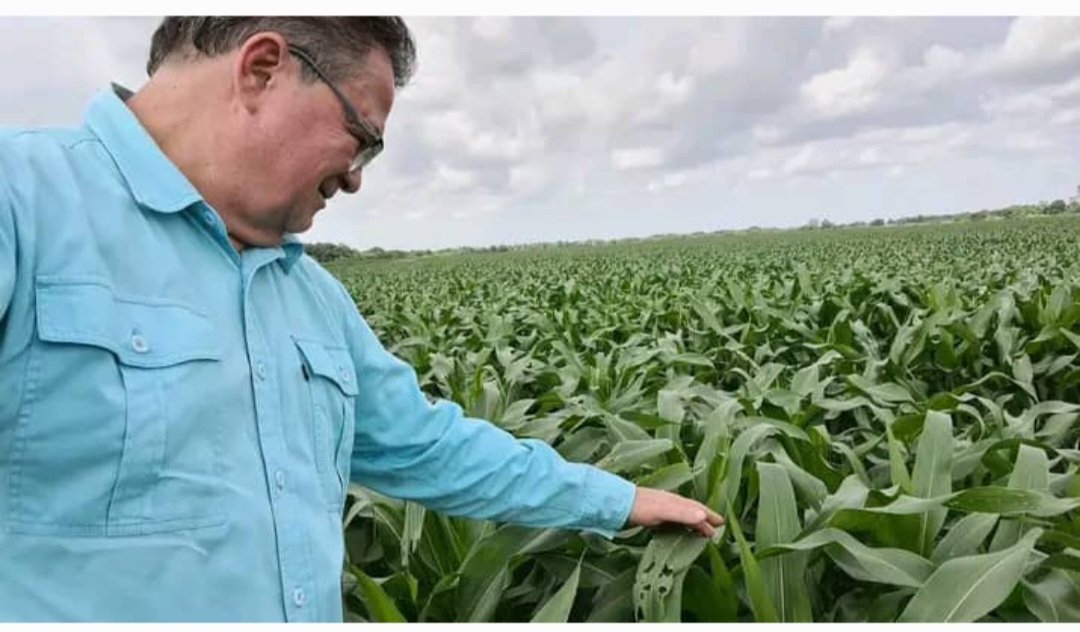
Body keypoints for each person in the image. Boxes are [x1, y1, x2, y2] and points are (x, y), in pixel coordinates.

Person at [0, 16, 723, 622]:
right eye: (363, 136)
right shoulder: (23, 203)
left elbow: (426, 446)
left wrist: (617, 498)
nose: (355, 176)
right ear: (262, 70)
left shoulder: (308, 292)